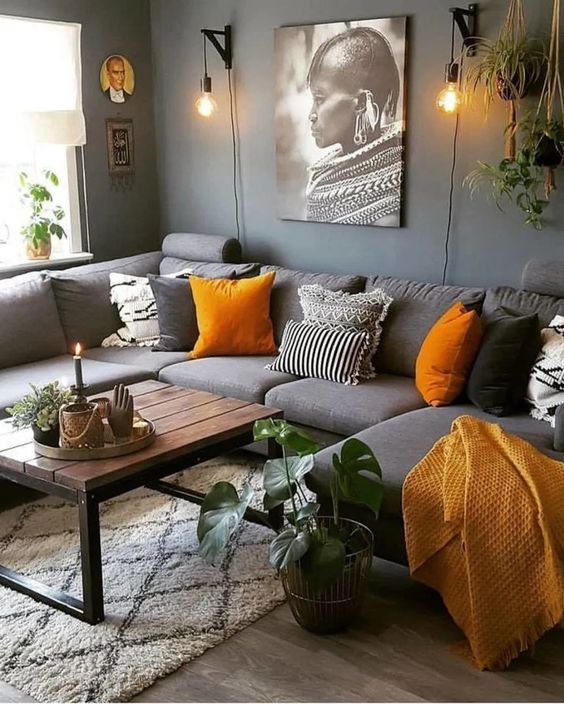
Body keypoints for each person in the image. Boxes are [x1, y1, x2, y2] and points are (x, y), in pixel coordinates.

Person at [306, 27, 403, 227]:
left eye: (319, 99)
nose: (311, 115)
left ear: (360, 103)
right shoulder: (322, 180)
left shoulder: (386, 216)